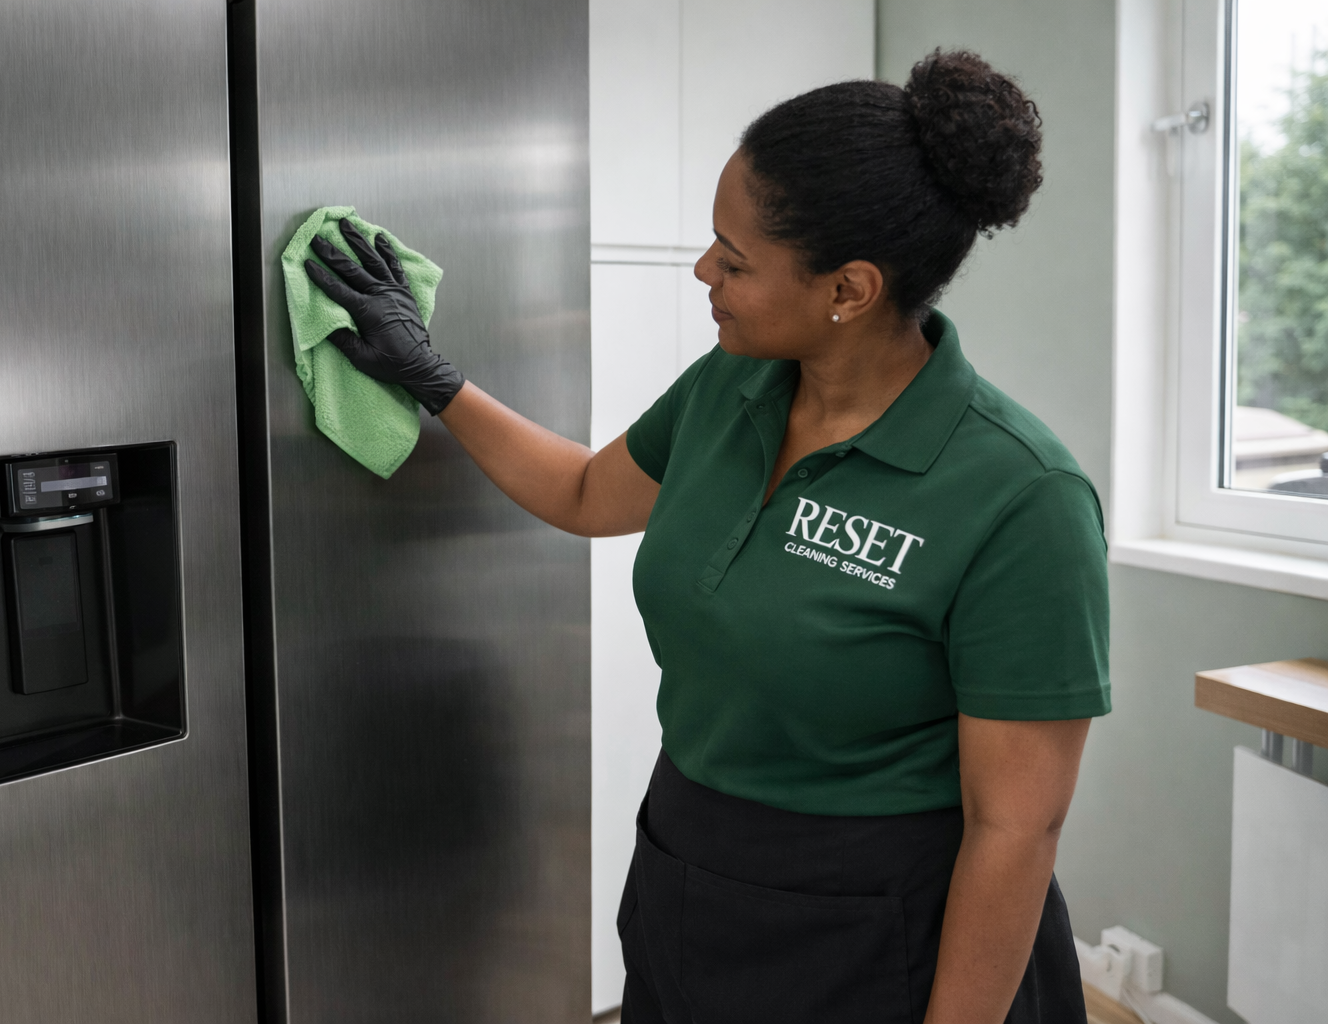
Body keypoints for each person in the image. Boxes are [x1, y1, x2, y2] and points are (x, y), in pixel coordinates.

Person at [305, 48, 1110, 1024]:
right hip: (691, 878)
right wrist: (433, 377)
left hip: (875, 932)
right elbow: (584, 491)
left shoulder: (1022, 495)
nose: (703, 271)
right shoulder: (733, 385)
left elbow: (1015, 827)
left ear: (848, 289)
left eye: (735, 259)